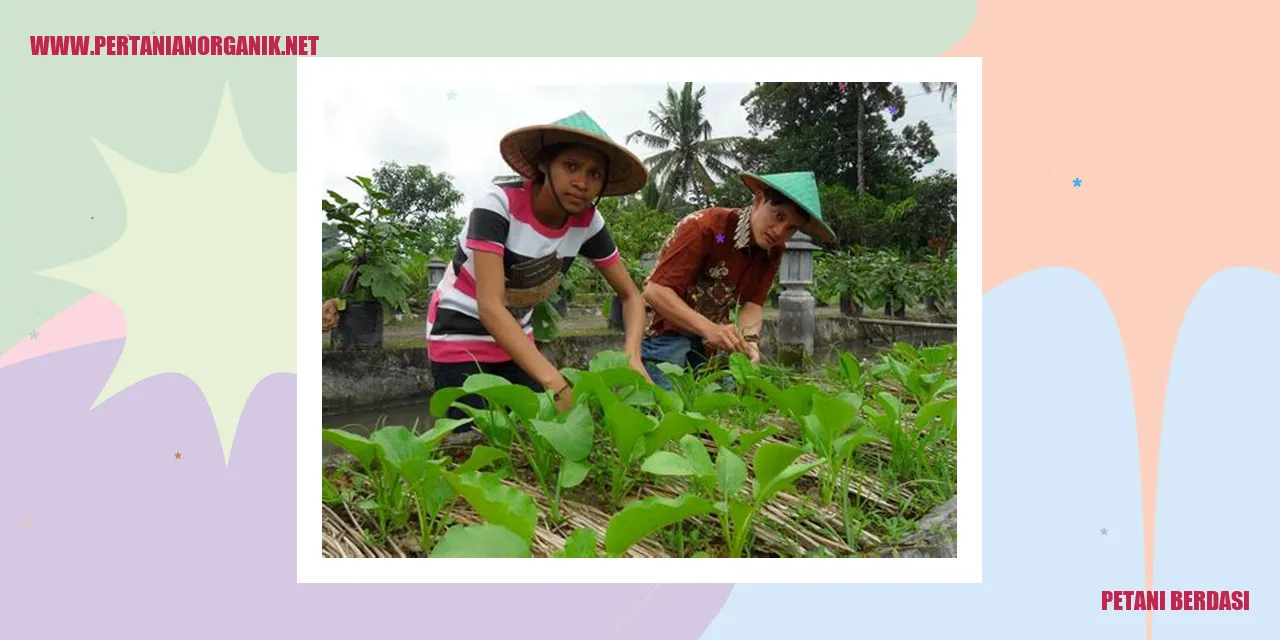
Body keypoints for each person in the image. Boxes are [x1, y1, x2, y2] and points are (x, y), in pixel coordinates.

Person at [426, 111, 654, 431]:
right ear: (545, 164)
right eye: (571, 166)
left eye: (594, 173)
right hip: (459, 333)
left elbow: (631, 295)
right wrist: (556, 381)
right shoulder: (497, 205)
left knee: (538, 437)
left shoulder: (587, 222)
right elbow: (490, 306)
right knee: (470, 438)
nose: (581, 183)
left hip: (517, 336)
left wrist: (632, 354)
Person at [640, 171, 836, 391]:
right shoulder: (708, 229)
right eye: (778, 216)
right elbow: (655, 291)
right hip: (665, 328)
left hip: (711, 338)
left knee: (723, 399)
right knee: (665, 401)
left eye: (791, 228)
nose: (780, 231)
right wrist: (711, 330)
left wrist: (750, 342)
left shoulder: (772, 251)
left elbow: (752, 305)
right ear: (759, 199)